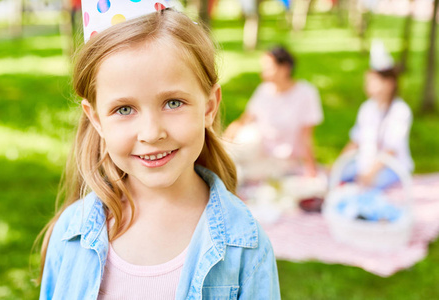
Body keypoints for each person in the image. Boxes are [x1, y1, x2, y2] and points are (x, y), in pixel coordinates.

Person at [37, 3, 280, 299]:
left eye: (173, 102)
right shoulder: (70, 234)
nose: (152, 133)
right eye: (124, 109)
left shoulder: (245, 246)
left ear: (209, 106)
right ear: (96, 119)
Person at [224, 46, 324, 179]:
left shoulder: (306, 93)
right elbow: (243, 121)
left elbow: (306, 136)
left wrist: (310, 168)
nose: (263, 73)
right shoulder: (264, 90)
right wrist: (223, 143)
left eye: (268, 68)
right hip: (257, 151)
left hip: (283, 160)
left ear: (285, 68)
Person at [340, 40, 414, 189]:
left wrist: (370, 173)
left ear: (390, 83)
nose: (368, 86)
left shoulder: (400, 111)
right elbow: (356, 140)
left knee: (370, 186)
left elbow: (391, 150)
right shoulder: (367, 108)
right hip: (366, 162)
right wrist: (339, 164)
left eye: (374, 81)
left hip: (391, 166)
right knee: (338, 177)